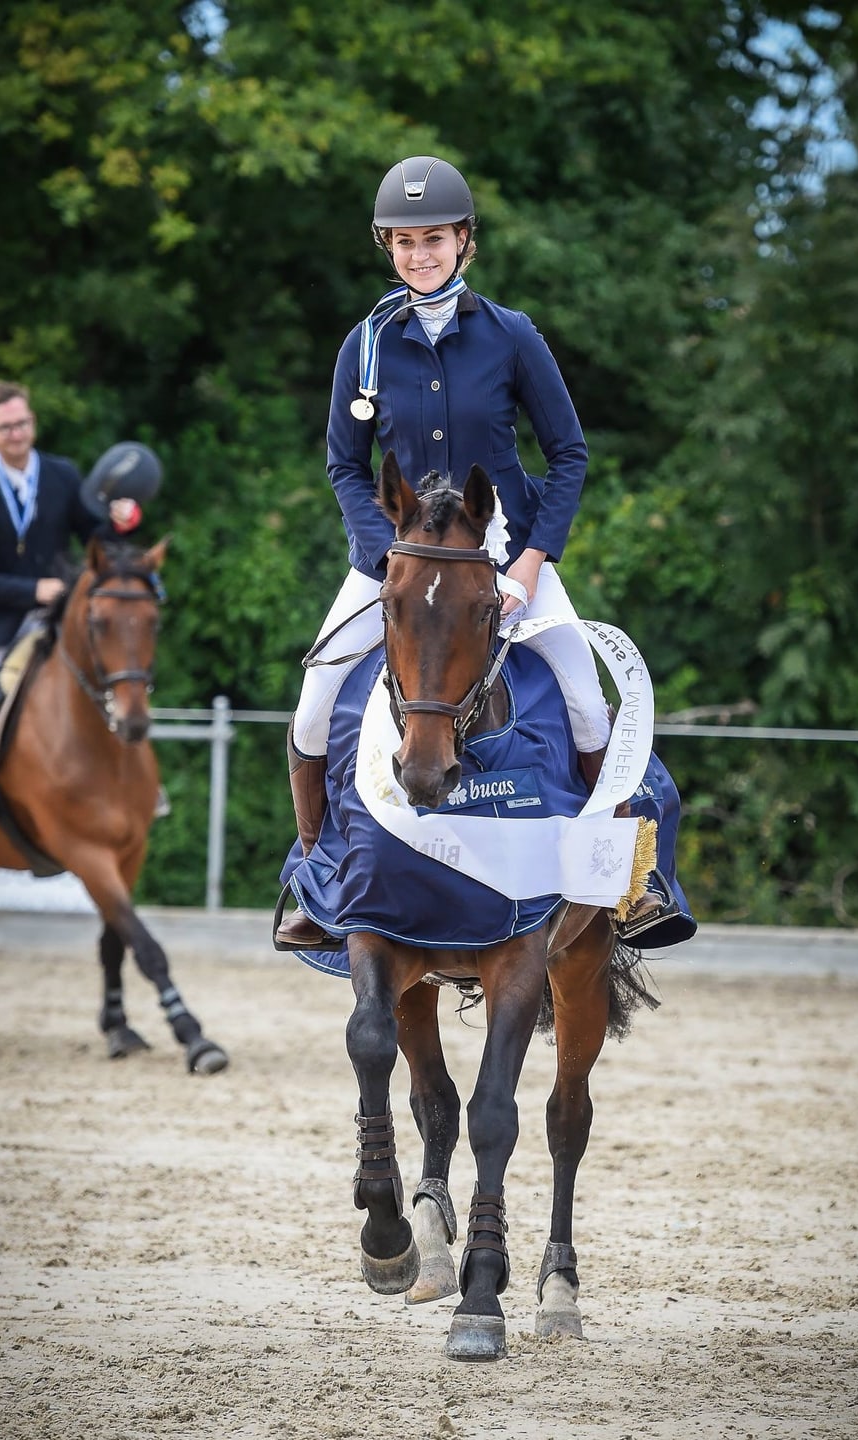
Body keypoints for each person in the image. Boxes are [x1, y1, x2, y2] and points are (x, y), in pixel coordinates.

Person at [277, 155, 682, 949]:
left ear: (465, 240)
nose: (418, 254)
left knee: (580, 694)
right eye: (402, 242)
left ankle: (631, 881)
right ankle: (316, 875)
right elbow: (343, 464)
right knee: (316, 698)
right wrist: (382, 550)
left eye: (433, 239)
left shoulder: (510, 335)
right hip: (398, 558)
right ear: (386, 247)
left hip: (501, 551)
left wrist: (532, 562)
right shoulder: (363, 345)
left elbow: (569, 453)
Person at [0, 380, 157, 843]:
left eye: (22, 423)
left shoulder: (62, 475)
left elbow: (94, 536)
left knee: (117, 674)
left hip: (61, 614)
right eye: (5, 427)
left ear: (33, 423)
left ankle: (144, 787)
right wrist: (30, 589)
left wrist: (119, 523)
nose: (16, 433)